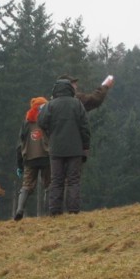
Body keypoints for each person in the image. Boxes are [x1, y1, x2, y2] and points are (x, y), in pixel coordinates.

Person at [38, 79, 91, 215]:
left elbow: (41, 121)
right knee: (73, 180)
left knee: (56, 180)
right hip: (75, 149)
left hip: (56, 149)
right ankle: (73, 211)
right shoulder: (77, 104)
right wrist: (85, 146)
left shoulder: (50, 105)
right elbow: (85, 127)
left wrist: (51, 133)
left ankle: (55, 211)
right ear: (70, 89)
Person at [14, 97, 50, 221]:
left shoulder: (26, 123)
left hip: (29, 159)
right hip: (47, 157)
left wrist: (19, 165)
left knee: (26, 186)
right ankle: (49, 212)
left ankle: (19, 210)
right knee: (49, 185)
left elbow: (20, 145)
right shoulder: (48, 120)